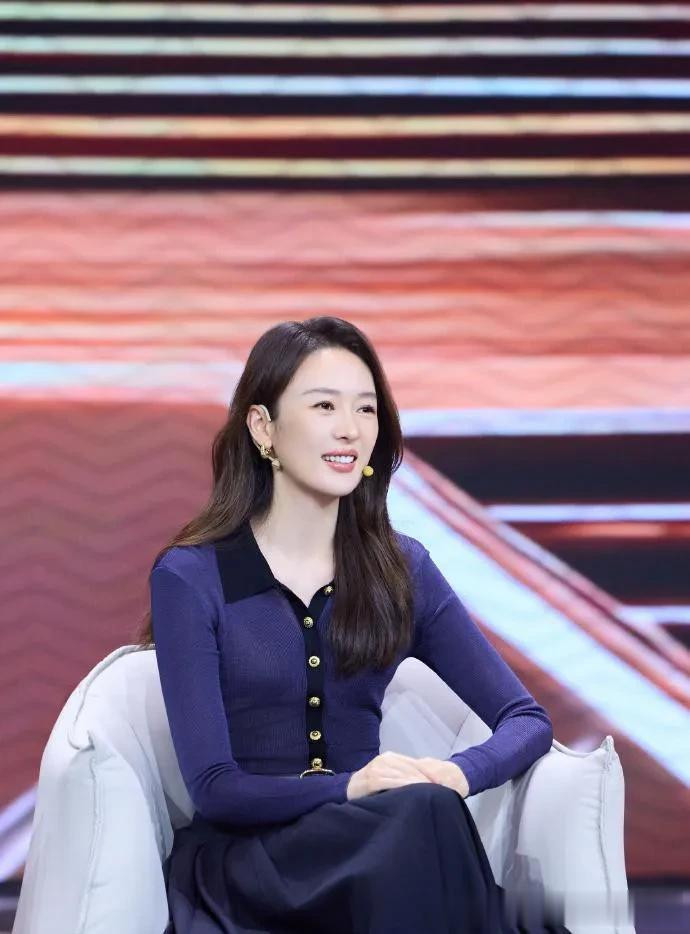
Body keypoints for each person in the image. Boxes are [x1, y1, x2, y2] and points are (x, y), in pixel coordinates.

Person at [137, 316, 571, 933]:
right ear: (263, 427)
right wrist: (351, 787)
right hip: (254, 867)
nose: (350, 429)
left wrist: (453, 774)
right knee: (422, 823)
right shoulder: (192, 576)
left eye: (366, 409)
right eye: (324, 406)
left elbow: (525, 720)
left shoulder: (401, 569)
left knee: (425, 811)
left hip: (384, 847)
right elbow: (214, 788)